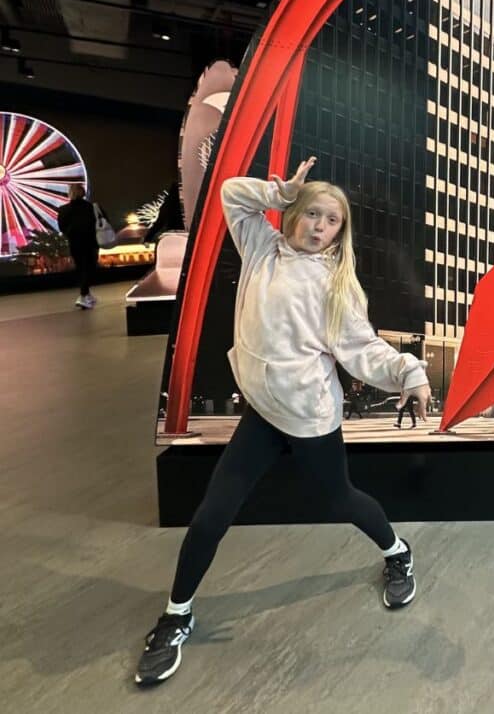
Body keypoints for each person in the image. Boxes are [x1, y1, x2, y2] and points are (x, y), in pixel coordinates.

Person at [135, 157, 431, 687]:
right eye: (312, 213)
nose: (320, 226)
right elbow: (229, 193)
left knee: (339, 499)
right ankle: (177, 614)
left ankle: (398, 553)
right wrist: (278, 192)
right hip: (261, 412)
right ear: (292, 213)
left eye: (332, 220)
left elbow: (365, 350)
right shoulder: (261, 249)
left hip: (310, 417)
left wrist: (410, 372)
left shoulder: (337, 286)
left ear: (341, 232)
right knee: (210, 517)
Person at [56, 183, 99, 309]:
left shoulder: (63, 209)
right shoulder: (91, 207)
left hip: (75, 243)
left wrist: (71, 234)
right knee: (90, 268)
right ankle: (83, 295)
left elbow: (62, 227)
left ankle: (86, 295)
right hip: (91, 242)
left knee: (81, 268)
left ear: (70, 193)